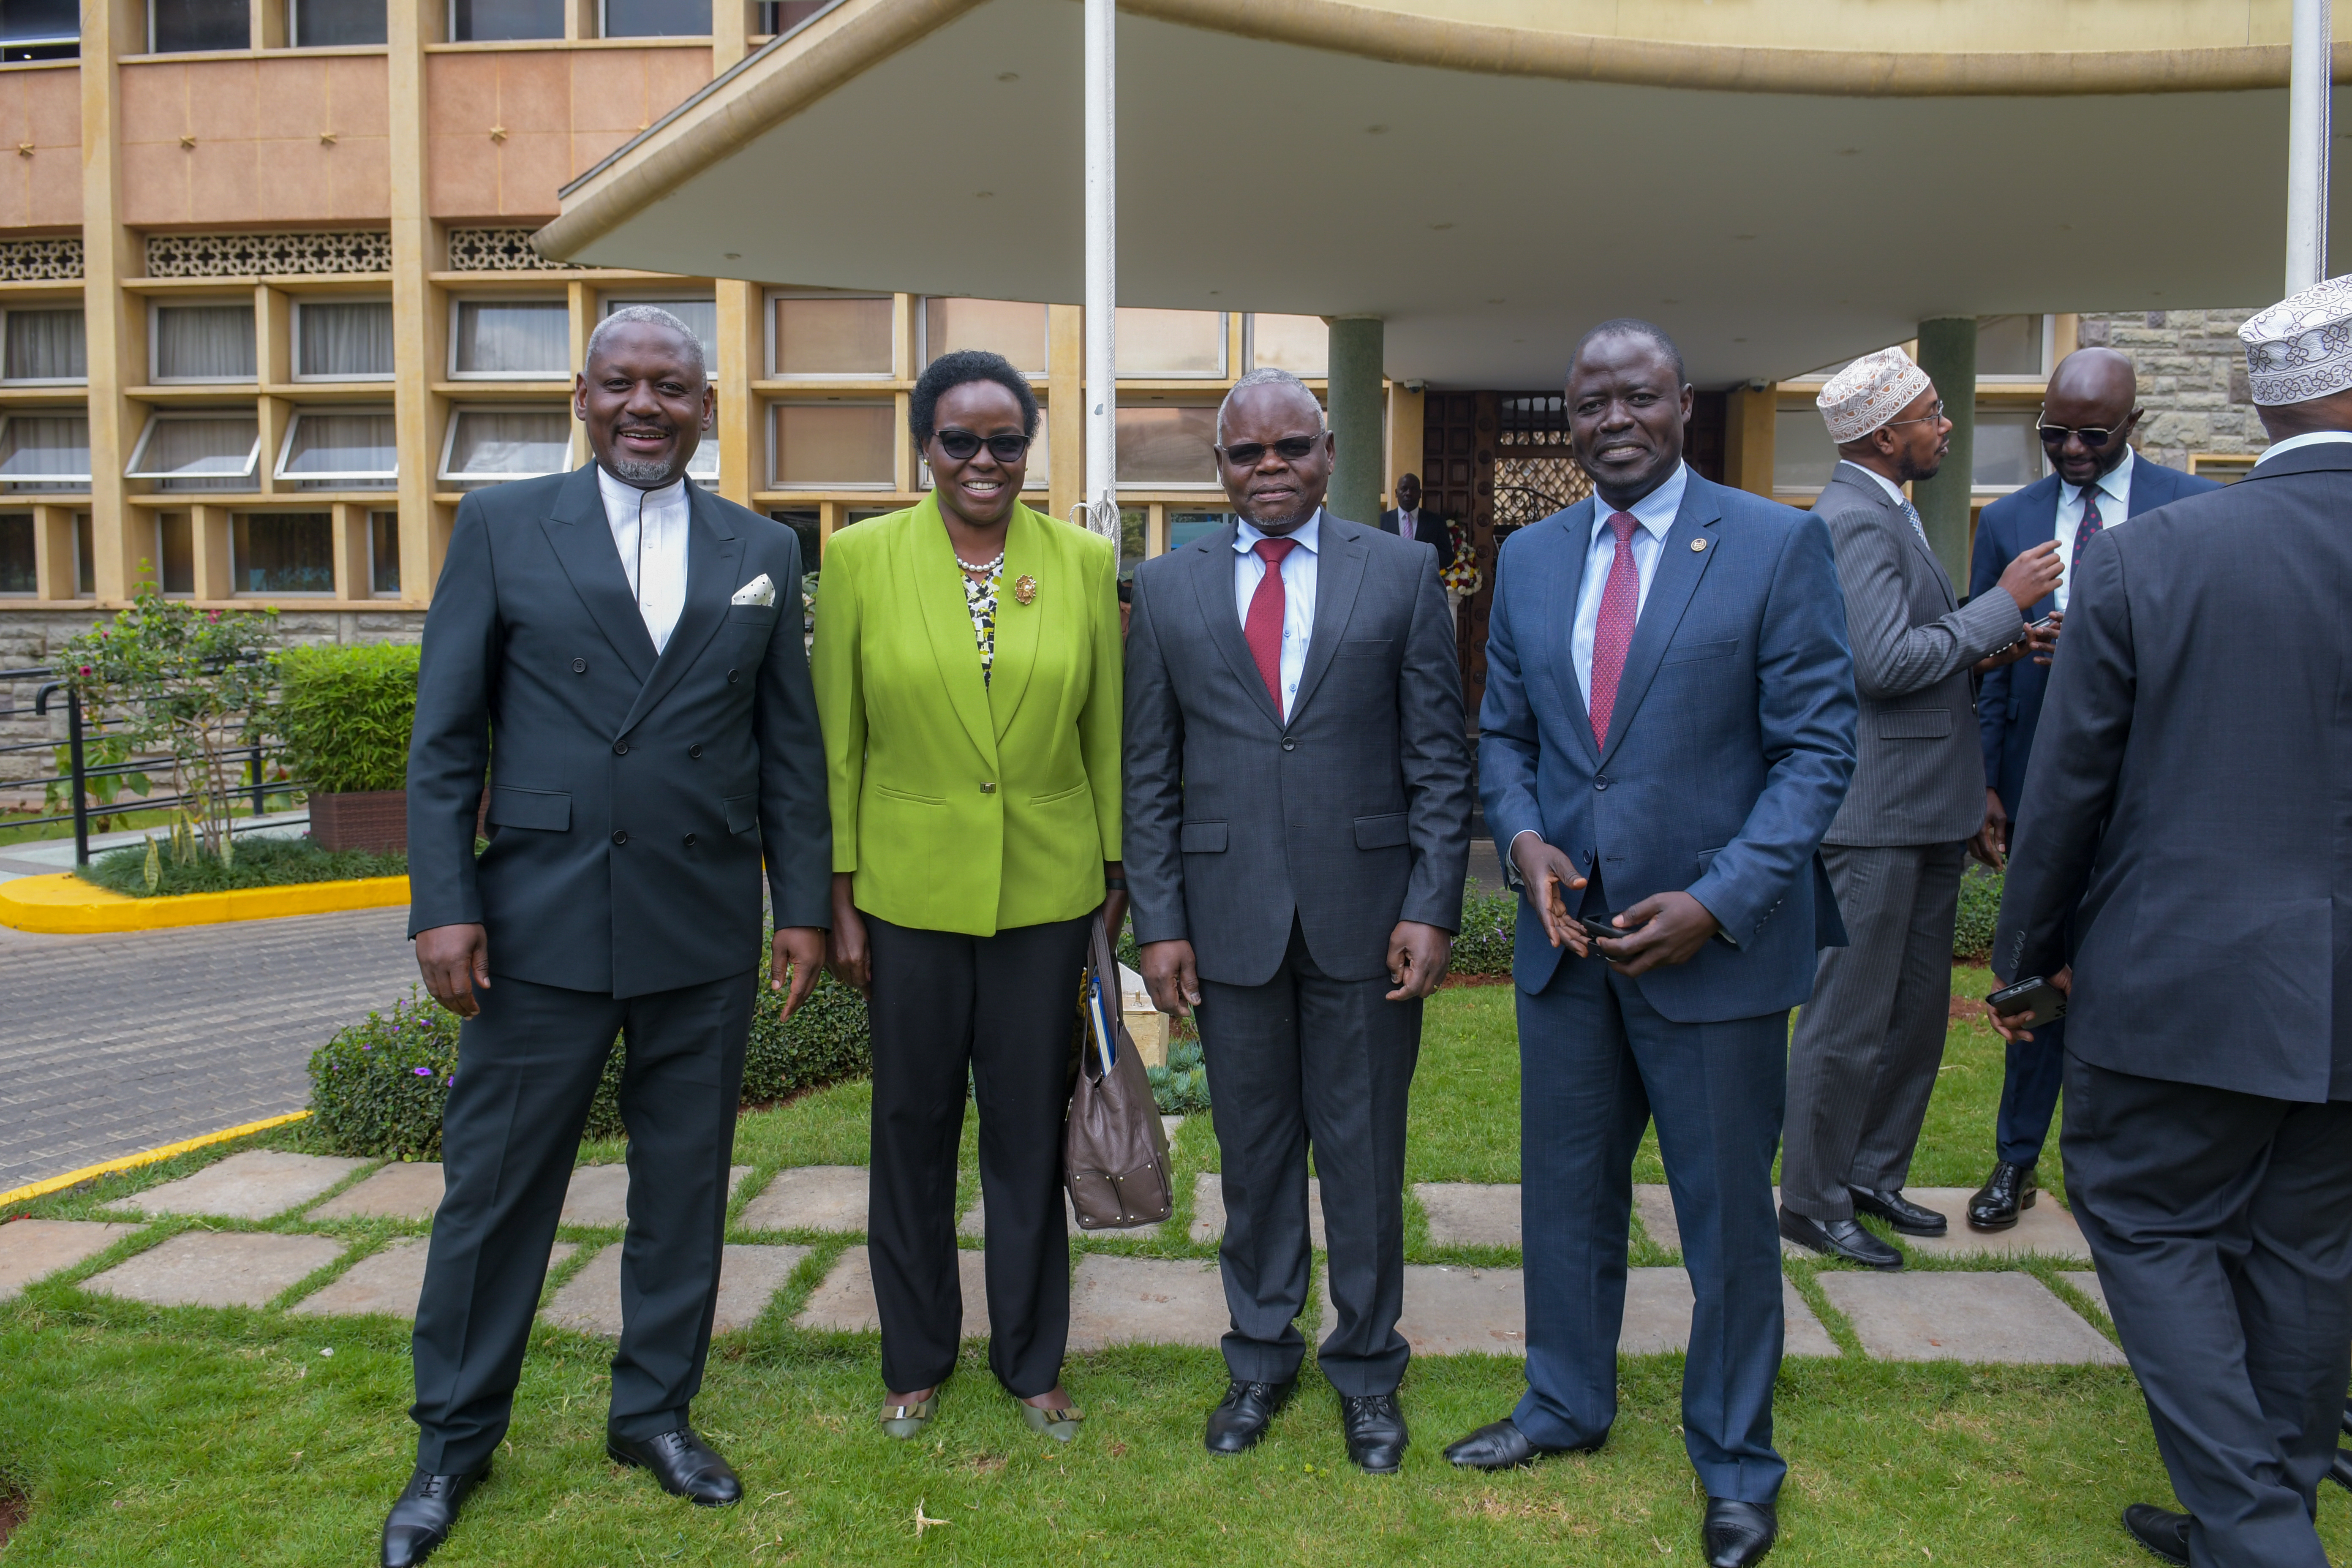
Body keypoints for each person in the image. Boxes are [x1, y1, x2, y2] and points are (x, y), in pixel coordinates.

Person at [392, 307, 831, 1566]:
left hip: (698, 926)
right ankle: (453, 1442)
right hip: (535, 927)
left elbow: (785, 743)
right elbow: (446, 740)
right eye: (621, 383)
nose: (647, 404)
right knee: (493, 1194)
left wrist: (796, 900)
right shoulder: (499, 525)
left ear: (706, 404)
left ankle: (652, 1414)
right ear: (581, 398)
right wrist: (442, 903)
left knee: (683, 1188)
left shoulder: (761, 546)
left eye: (672, 387)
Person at [1450, 320, 1856, 1568]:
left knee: (1723, 1217)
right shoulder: (1528, 559)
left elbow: (1816, 750)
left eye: (1636, 396)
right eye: (1587, 403)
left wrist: (1718, 898)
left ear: (1681, 405)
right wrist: (1520, 843)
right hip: (1566, 948)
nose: (1610, 418)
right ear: (1567, 420)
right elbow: (1503, 734)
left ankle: (1734, 1459)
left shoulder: (1776, 543)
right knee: (1565, 1196)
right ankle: (1564, 1400)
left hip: (1712, 953)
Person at [1989, 279, 2352, 1568]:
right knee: (2306, 1254)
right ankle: (2254, 1511)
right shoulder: (2159, 545)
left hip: (2174, 984)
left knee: (2148, 1224)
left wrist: (2023, 958)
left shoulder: (2154, 555)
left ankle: (2259, 1538)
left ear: (2255, 398)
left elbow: (2066, 787)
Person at [1124, 366, 1471, 1474]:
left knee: (1364, 1154)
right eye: (1245, 453)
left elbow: (1437, 759)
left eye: (1292, 448)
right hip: (1224, 923)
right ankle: (1260, 1358)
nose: (1269, 468)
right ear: (1217, 468)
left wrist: (1432, 902)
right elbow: (1151, 773)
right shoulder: (1168, 589)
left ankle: (1368, 1371)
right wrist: (1161, 919)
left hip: (1368, 920)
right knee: (1256, 1153)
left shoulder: (1405, 573)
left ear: (1329, 453)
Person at [811, 349, 1123, 1447]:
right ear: (924, 448)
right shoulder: (857, 560)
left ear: (1029, 450)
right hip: (907, 896)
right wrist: (837, 891)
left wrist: (1113, 877)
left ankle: (1033, 1360)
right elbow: (837, 742)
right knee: (911, 1128)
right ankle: (916, 1356)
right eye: (961, 441)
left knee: (1030, 1133)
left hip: (1046, 894)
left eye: (1006, 442)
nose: (984, 461)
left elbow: (1106, 732)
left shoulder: (1082, 561)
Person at [1776, 350, 2061, 1269]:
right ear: (1885, 434)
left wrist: (2000, 640)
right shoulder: (1852, 520)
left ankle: (1871, 1173)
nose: (1947, 428)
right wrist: (2000, 606)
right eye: (1934, 415)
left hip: (1926, 807)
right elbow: (1884, 664)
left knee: (1916, 1015)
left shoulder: (1890, 512)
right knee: (1849, 1018)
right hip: (1874, 814)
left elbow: (1917, 651)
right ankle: (1812, 1199)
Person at [1962, 348, 2218, 1231]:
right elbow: (1983, 672)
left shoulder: (2196, 509)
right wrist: (1986, 783)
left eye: (2091, 434)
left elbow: (2207, 653)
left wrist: (2110, 648)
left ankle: (2148, 1169)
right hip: (2040, 783)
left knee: (2153, 978)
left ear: (2133, 426)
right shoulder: (2008, 519)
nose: (2071, 449)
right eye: (2054, 432)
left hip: (2156, 790)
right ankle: (2016, 1160)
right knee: (2037, 975)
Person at [1377, 471, 1458, 562]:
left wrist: (1423, 556)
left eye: (1414, 489)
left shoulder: (1436, 522)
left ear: (1420, 494)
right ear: (1396, 493)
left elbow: (1448, 557)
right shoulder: (1383, 521)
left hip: (1424, 575)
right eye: (1404, 489)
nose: (1409, 493)